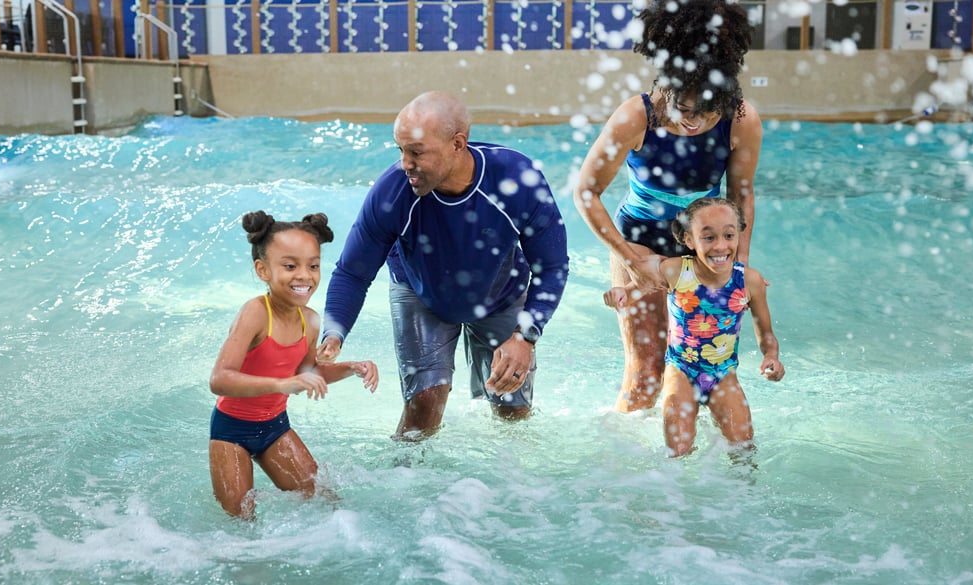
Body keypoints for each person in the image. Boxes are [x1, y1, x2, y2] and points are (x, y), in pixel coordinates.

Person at [316, 91, 569, 440]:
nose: (405, 163)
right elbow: (352, 272)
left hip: (501, 292)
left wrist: (525, 336)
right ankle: (404, 484)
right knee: (423, 409)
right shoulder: (393, 193)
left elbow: (552, 266)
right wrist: (334, 330)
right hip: (421, 291)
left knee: (512, 410)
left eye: (416, 152)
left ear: (457, 144)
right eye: (400, 150)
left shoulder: (516, 180)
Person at [574, 0, 762, 414]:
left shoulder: (742, 118)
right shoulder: (635, 117)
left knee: (707, 365)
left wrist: (738, 267)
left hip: (704, 246)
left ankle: (699, 469)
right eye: (684, 110)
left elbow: (742, 196)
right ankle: (626, 466)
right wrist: (629, 261)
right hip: (639, 241)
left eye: (708, 113)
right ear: (666, 86)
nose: (693, 123)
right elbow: (586, 193)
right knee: (647, 372)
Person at [208, 210, 378, 518]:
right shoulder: (256, 313)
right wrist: (281, 384)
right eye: (290, 266)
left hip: (275, 428)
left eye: (313, 265)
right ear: (263, 270)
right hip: (231, 431)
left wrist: (352, 368)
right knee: (240, 520)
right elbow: (219, 379)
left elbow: (306, 373)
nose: (304, 275)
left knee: (327, 504)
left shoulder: (310, 320)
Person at [603, 198, 783, 456]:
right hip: (681, 371)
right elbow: (634, 291)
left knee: (743, 449)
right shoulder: (676, 271)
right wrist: (619, 295)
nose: (720, 245)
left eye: (729, 235)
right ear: (689, 240)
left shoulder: (748, 281)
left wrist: (771, 356)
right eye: (708, 238)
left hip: (723, 375)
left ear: (739, 235)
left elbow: (766, 334)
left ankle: (742, 496)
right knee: (678, 450)